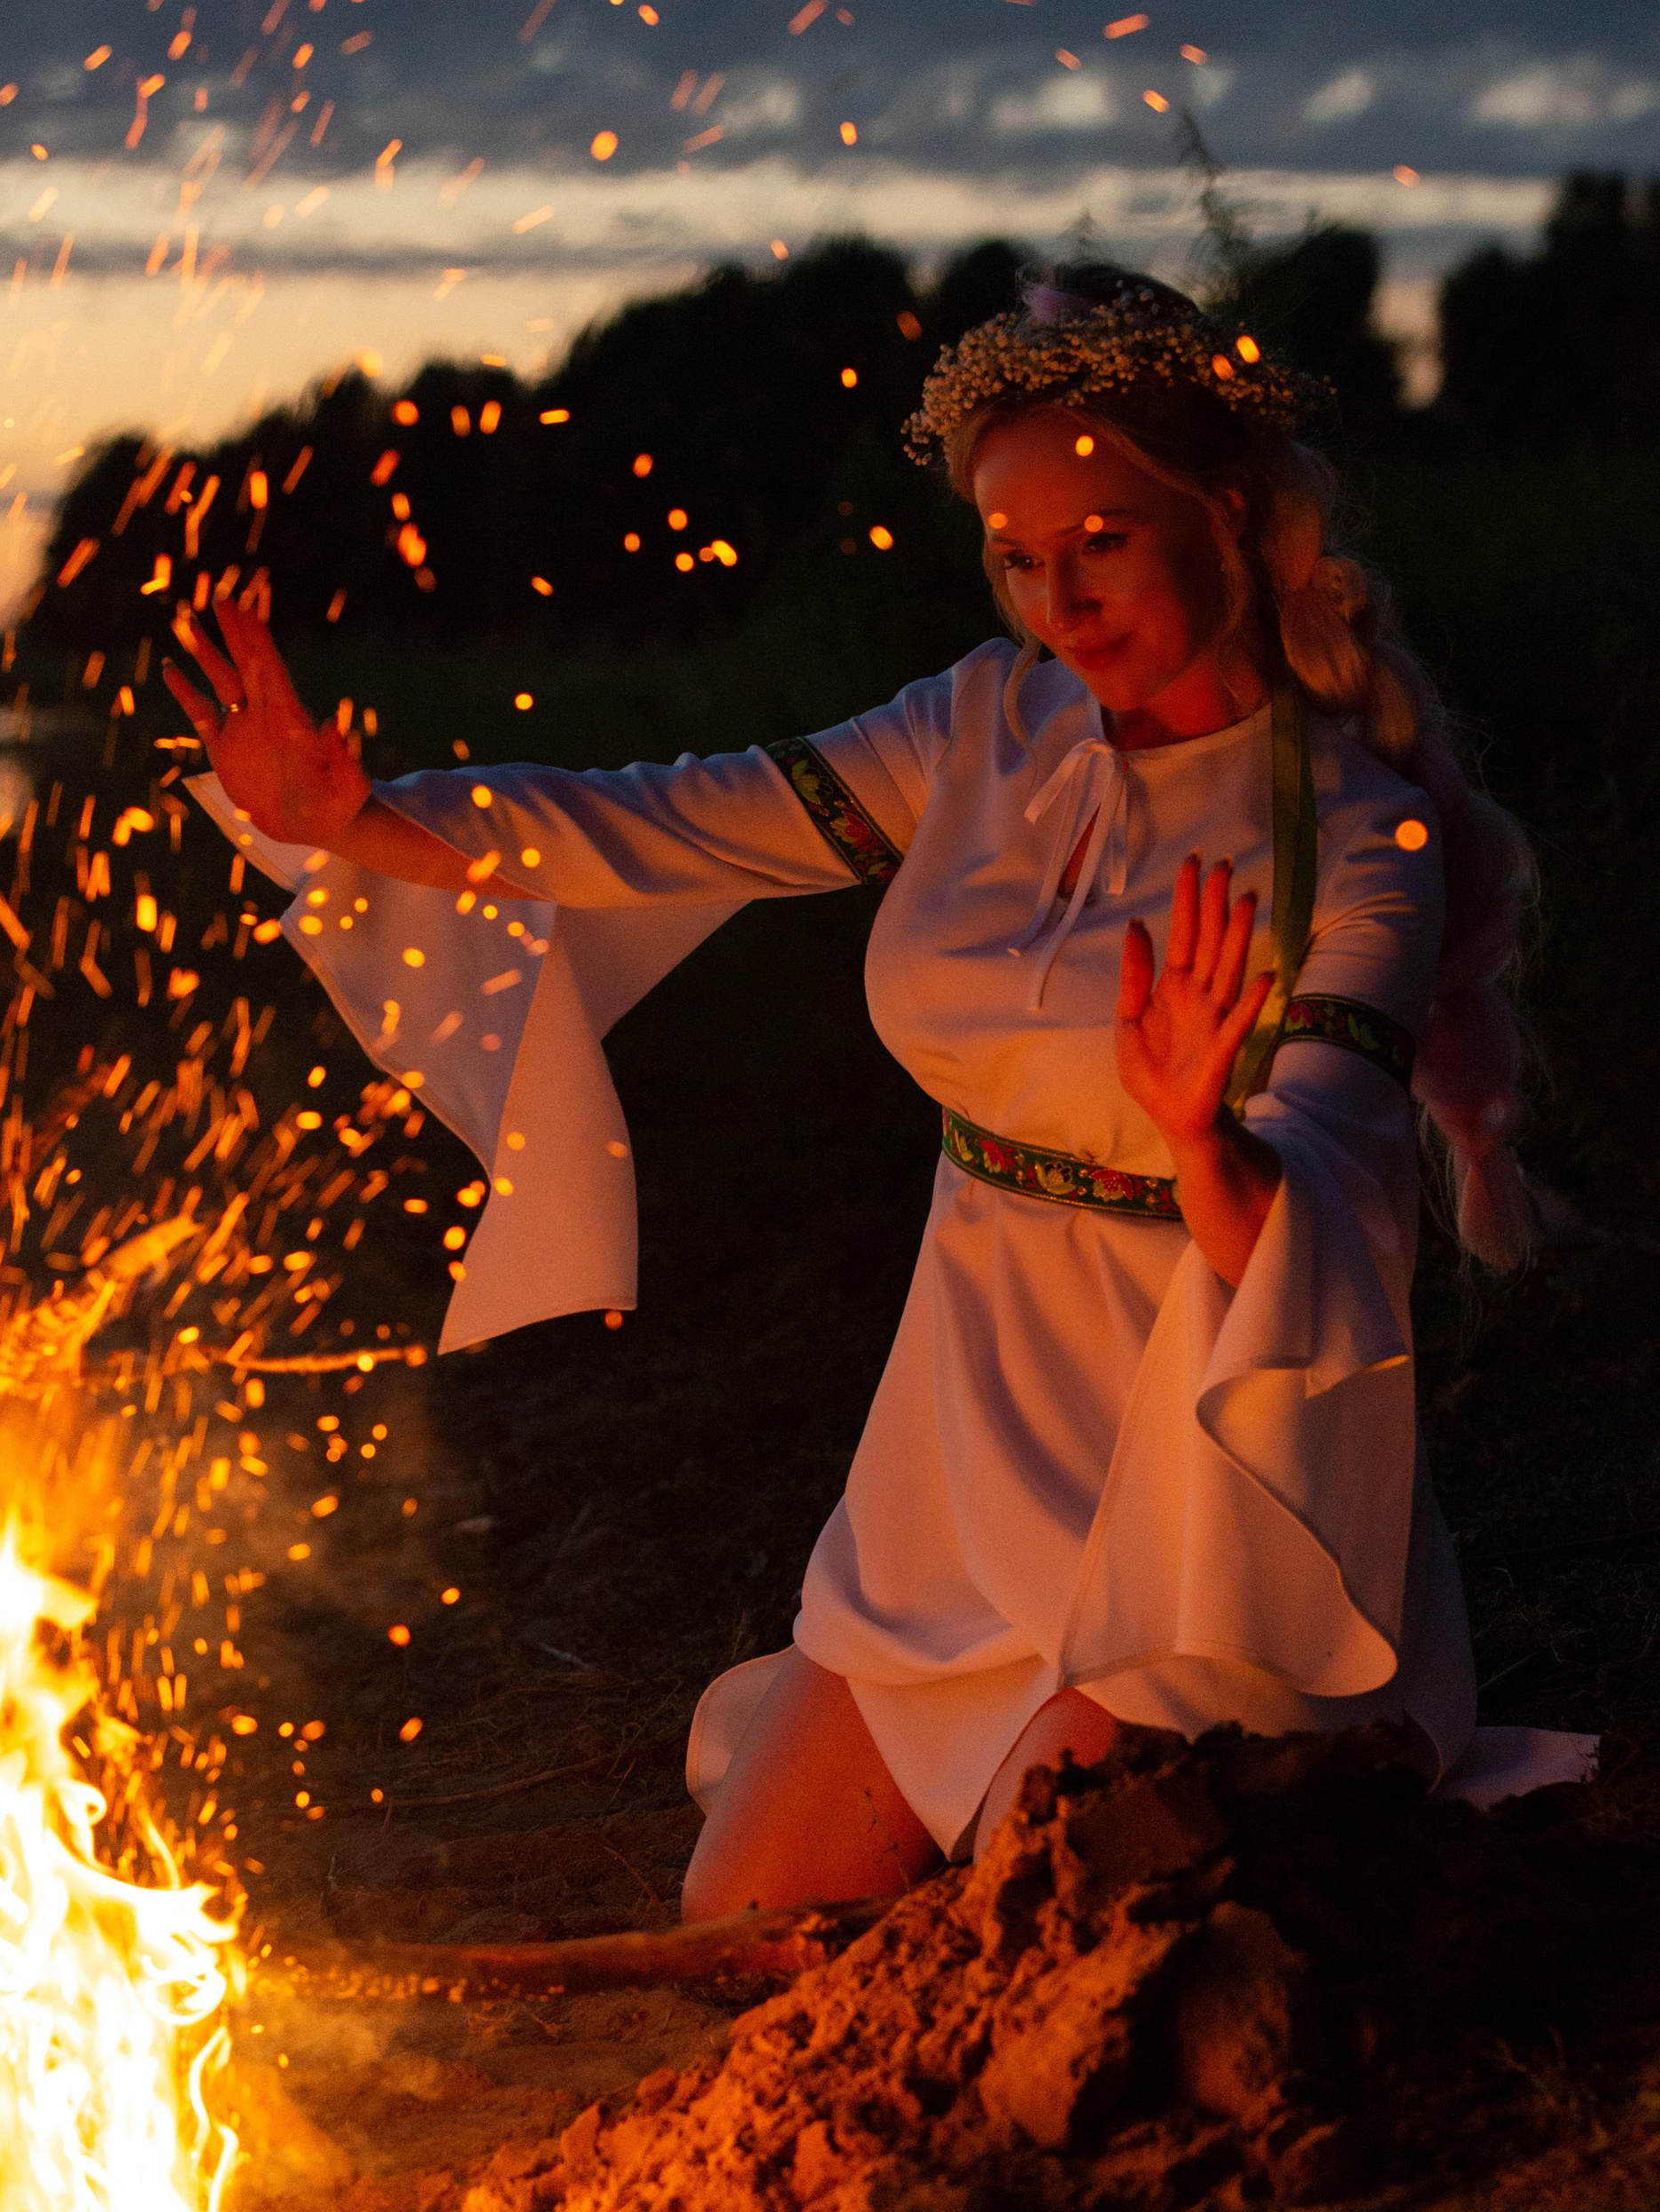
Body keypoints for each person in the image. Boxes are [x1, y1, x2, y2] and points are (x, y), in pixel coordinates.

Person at [164, 263, 1577, 1920]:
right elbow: (670, 820)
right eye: (1017, 557)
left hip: (1194, 1466)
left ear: (1230, 519)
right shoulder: (979, 725)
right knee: (740, 1917)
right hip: (960, 1435)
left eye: (1101, 542)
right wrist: (358, 825)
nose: (1059, 601)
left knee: (1040, 1916)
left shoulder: (1357, 837)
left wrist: (1199, 1132)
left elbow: (1331, 1198)